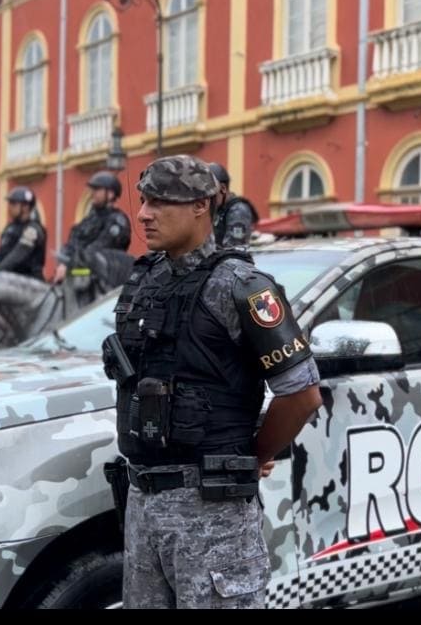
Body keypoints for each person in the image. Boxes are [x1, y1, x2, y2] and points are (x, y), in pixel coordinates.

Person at [102, 155, 322, 608]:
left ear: (201, 206)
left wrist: (253, 453)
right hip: (143, 506)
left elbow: (301, 393)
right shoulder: (148, 280)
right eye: (143, 201)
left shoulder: (240, 285)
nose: (143, 214)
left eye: (161, 201)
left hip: (212, 513)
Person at [53, 170, 131, 283]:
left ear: (110, 194)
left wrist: (70, 265)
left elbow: (98, 249)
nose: (92, 193)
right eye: (93, 189)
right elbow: (71, 243)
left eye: (97, 189)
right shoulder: (88, 220)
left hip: (105, 279)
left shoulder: (118, 221)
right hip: (80, 273)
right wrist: (63, 261)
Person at [0, 187, 47, 280]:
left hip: (29, 281)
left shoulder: (33, 229)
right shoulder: (9, 228)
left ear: (26, 207)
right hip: (9, 279)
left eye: (13, 204)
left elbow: (17, 255)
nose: (9, 207)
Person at [209, 162, 259, 248]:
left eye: (209, 192)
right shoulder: (219, 209)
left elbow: (234, 249)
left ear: (223, 188)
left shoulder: (238, 211)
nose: (205, 198)